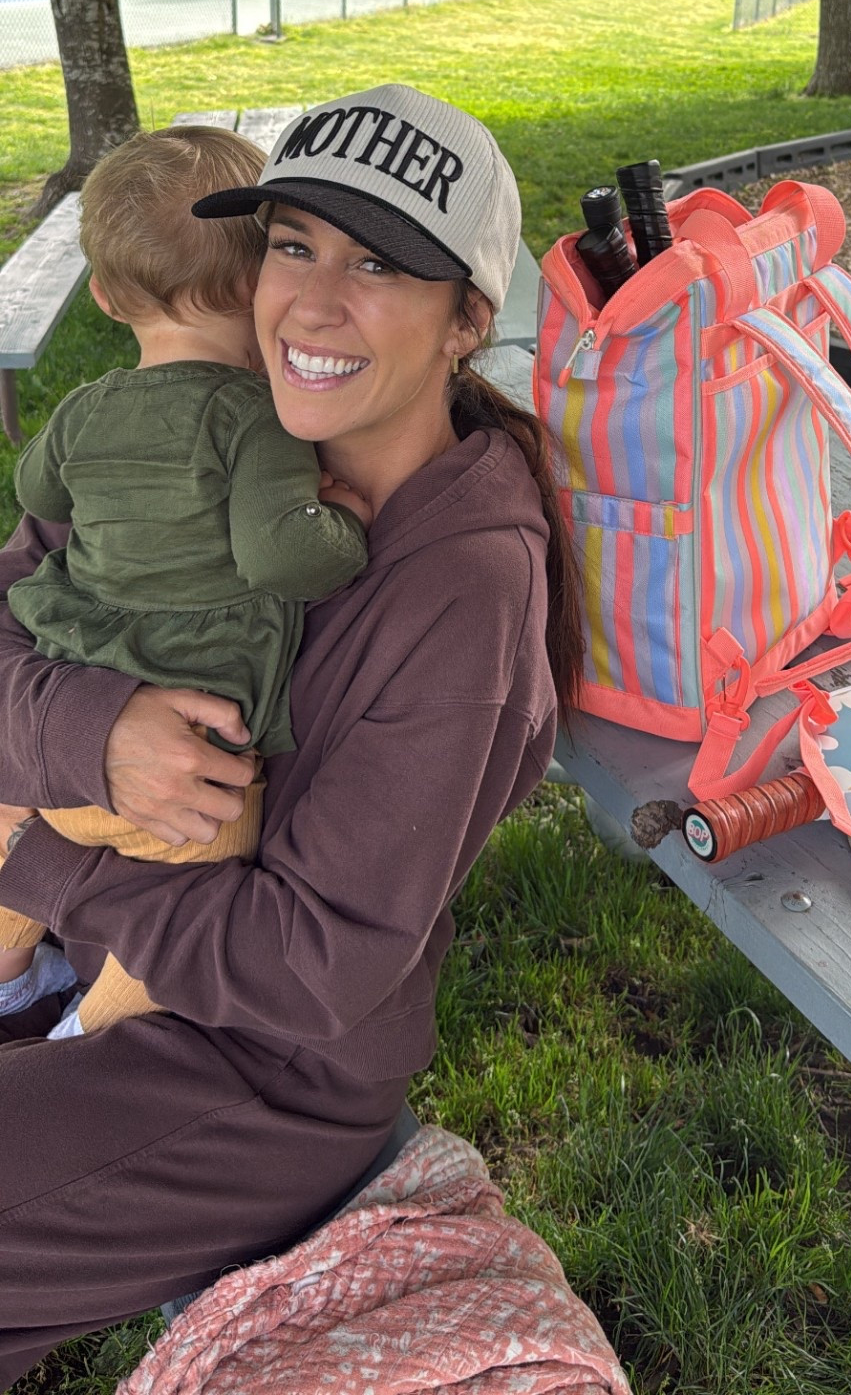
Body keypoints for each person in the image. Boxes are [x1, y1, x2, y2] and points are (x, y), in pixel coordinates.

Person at [0, 83, 579, 1389]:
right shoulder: (198, 431)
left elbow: (313, 968)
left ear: (466, 321)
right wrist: (97, 734)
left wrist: (47, 858)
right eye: (293, 246)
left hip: (254, 1071)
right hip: (90, 954)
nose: (311, 303)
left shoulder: (461, 586)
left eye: (377, 265)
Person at [0, 127, 369, 1041]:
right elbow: (282, 557)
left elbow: (38, 493)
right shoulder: (254, 416)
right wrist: (345, 527)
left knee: (7, 837)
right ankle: (87, 1035)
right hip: (190, 761)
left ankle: (8, 979)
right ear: (258, 286)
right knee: (200, 891)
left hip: (60, 730)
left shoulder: (83, 408)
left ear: (103, 295)